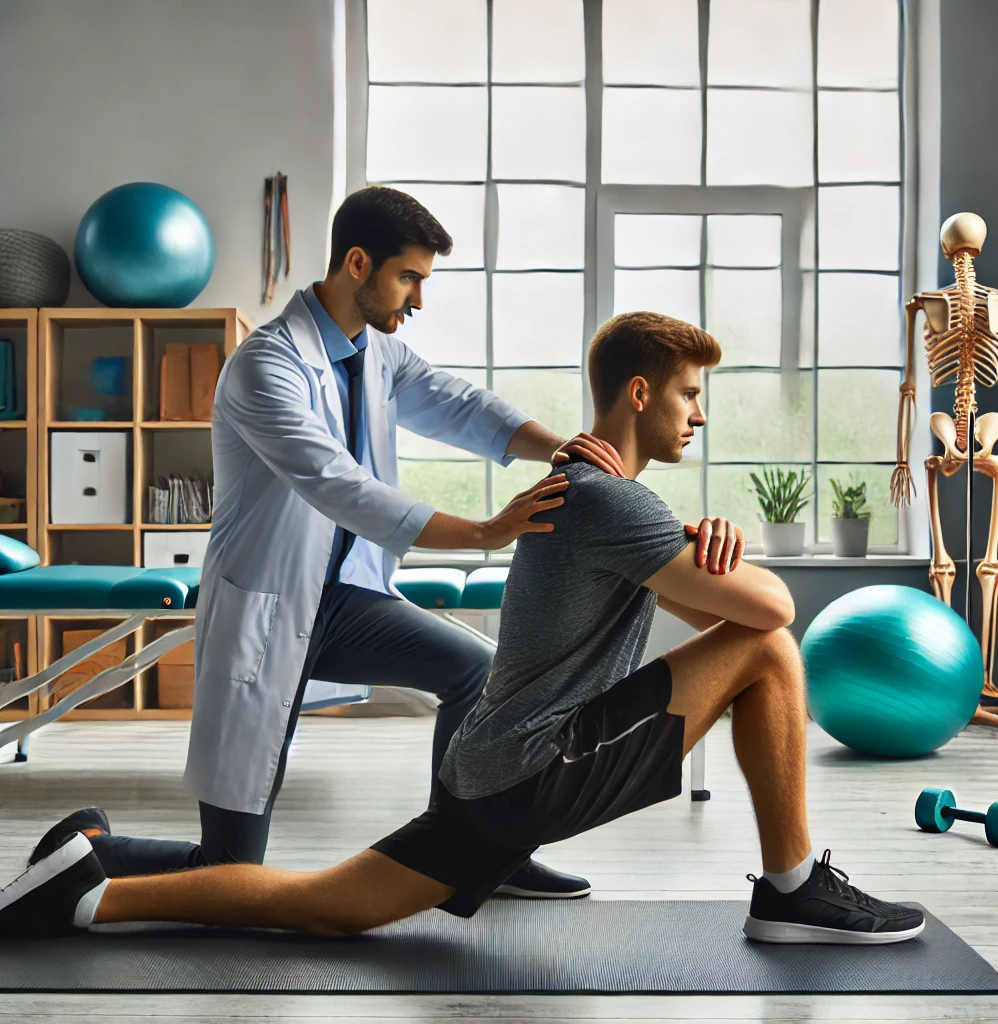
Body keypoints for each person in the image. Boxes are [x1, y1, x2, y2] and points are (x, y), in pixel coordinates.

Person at [1, 311, 925, 945]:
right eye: (690, 394)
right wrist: (701, 538)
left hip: (487, 776)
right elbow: (769, 614)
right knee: (768, 652)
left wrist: (698, 542)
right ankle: (794, 890)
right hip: (537, 765)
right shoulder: (614, 502)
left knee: (326, 905)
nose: (701, 413)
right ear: (639, 395)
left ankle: (87, 892)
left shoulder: (600, 501)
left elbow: (701, 604)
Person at [20, 186, 620, 900]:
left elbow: (460, 405)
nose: (418, 301)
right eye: (410, 278)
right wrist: (486, 532)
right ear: (358, 263)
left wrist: (564, 449)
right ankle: (90, 848)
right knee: (230, 874)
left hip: (349, 604)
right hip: (269, 614)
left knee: (479, 673)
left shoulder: (382, 355)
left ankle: (472, 854)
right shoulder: (265, 366)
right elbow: (337, 484)